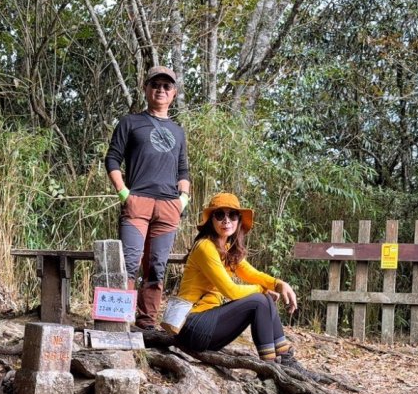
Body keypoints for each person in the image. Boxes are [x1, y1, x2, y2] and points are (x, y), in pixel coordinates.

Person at [105, 66, 191, 329]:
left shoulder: (178, 131)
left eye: (167, 86)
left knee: (156, 266)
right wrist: (124, 194)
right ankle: (119, 322)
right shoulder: (130, 122)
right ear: (146, 89)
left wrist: (183, 199)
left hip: (168, 207)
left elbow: (183, 170)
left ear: (173, 93)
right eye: (156, 85)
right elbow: (112, 159)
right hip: (137, 202)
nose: (161, 90)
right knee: (129, 263)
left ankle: (146, 324)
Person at [174, 192, 301, 365]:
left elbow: (252, 273)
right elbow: (231, 290)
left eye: (232, 215)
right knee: (259, 300)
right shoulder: (205, 247)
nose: (226, 220)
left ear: (239, 220)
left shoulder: (226, 248)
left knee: (263, 300)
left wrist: (278, 284)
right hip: (192, 325)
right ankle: (271, 368)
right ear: (211, 220)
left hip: (207, 327)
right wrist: (262, 290)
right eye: (220, 215)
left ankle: (286, 361)